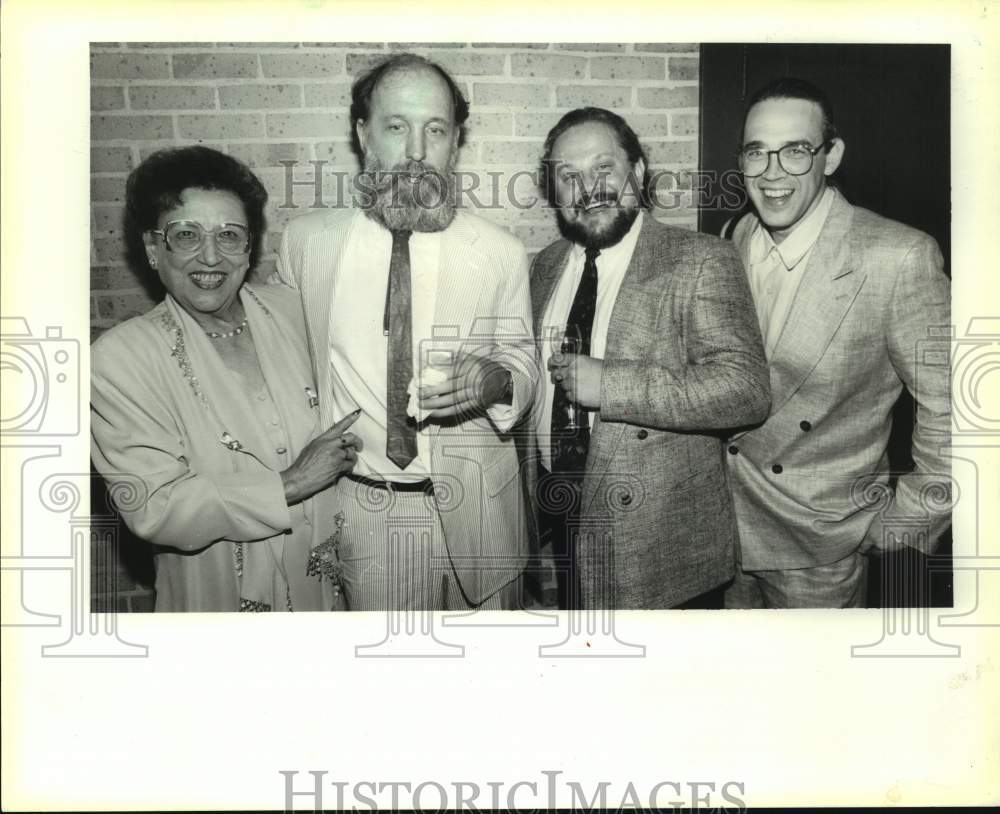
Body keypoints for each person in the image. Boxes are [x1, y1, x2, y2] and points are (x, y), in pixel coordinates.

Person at [276, 53, 536, 611]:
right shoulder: (306, 246)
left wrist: (497, 381)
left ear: (455, 142)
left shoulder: (499, 253)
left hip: (485, 516)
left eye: (435, 130)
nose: (417, 151)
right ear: (363, 134)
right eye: (397, 127)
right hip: (364, 514)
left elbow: (525, 363)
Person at [91, 146, 362, 612]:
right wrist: (291, 484)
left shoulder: (295, 310)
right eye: (186, 235)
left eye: (230, 235)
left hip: (325, 589)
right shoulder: (118, 361)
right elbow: (153, 506)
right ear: (153, 250)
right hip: (215, 593)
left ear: (249, 247)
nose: (211, 256)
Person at [723, 77, 951, 608]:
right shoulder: (734, 236)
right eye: (757, 153)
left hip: (821, 549)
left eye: (796, 151)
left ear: (832, 156)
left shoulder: (897, 257)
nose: (772, 173)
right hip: (728, 531)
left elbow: (961, 413)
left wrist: (908, 519)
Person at [532, 107, 770, 610]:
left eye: (603, 168)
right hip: (566, 525)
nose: (588, 186)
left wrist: (612, 387)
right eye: (568, 176)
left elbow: (746, 390)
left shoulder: (701, 259)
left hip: (664, 551)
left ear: (637, 173)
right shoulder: (545, 266)